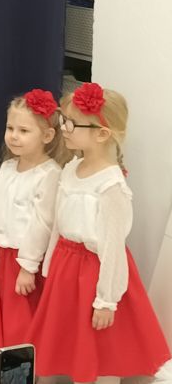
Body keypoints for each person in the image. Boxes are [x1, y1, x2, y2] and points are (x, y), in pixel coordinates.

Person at [29, 82, 170, 382]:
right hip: (66, 268)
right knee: (63, 339)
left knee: (99, 347)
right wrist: (50, 266)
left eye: (71, 123)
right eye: (63, 120)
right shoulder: (70, 169)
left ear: (102, 134)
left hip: (95, 274)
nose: (64, 128)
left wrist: (106, 300)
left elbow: (113, 247)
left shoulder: (111, 185)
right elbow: (58, 224)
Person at [0, 89, 68, 354]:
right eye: (10, 128)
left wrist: (27, 267)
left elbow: (43, 225)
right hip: (1, 259)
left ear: (47, 136)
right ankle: (7, 370)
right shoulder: (7, 168)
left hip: (24, 263)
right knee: (2, 325)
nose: (14, 136)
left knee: (23, 326)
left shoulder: (50, 174)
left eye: (24, 131)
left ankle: (27, 371)